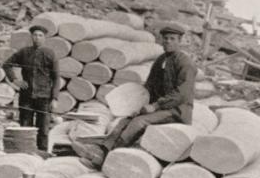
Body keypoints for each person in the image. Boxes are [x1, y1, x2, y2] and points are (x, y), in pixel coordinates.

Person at [71, 21, 196, 167]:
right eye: (165, 38)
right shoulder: (161, 60)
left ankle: (109, 158)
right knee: (126, 120)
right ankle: (101, 151)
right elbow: (149, 86)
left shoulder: (185, 63)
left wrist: (155, 106)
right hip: (160, 107)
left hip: (177, 110)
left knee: (139, 122)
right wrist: (140, 104)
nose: (168, 41)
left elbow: (182, 94)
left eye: (172, 39)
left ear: (180, 41)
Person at [2, 23, 59, 152]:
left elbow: (56, 77)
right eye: (35, 35)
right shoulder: (24, 52)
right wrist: (15, 80)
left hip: (44, 97)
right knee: (25, 126)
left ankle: (42, 153)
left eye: (40, 35)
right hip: (26, 96)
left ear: (44, 38)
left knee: (43, 128)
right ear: (31, 37)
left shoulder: (50, 54)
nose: (37, 38)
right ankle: (25, 153)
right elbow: (7, 65)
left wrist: (55, 98)